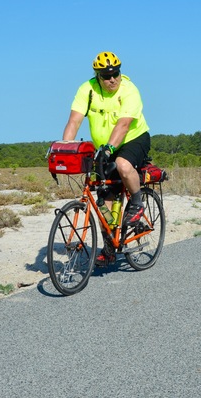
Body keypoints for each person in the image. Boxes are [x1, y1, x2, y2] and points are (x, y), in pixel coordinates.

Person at [62, 51, 151, 265]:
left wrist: (110, 149)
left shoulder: (129, 90)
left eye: (116, 74)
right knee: (104, 200)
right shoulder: (87, 89)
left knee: (122, 164)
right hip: (103, 146)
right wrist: (65, 149)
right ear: (97, 76)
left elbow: (124, 125)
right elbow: (74, 121)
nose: (112, 79)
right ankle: (110, 248)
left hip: (133, 138)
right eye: (106, 76)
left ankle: (137, 202)